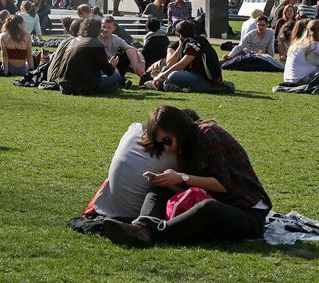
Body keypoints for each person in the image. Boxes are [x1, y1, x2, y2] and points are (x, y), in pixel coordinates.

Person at [96, 105, 271, 248]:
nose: (166, 149)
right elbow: (197, 190)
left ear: (179, 130)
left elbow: (224, 185)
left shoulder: (209, 134)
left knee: (207, 208)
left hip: (249, 215)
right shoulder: (187, 149)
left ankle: (151, 232)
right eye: (161, 144)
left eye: (167, 141)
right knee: (160, 187)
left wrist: (181, 178)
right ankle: (140, 225)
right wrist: (169, 183)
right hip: (223, 204)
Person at [47, 16, 121, 94]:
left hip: (64, 86)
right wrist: (112, 65)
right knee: (116, 76)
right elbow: (108, 71)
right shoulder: (96, 43)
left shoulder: (74, 41)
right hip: (83, 87)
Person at [145, 20, 223, 91]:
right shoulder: (195, 40)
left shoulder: (193, 44)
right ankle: (168, 85)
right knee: (166, 68)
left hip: (205, 80)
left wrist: (162, 75)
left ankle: (162, 85)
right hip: (195, 75)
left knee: (173, 75)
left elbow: (181, 65)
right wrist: (180, 46)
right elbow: (170, 64)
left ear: (180, 34)